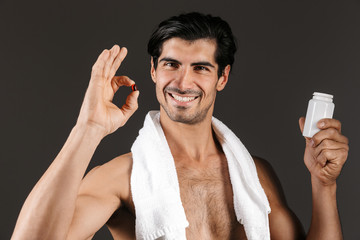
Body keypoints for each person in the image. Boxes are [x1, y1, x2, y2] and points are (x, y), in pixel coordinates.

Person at [12, 12, 348, 240]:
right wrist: (87, 129)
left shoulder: (255, 176)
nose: (182, 82)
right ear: (154, 71)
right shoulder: (121, 179)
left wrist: (324, 185)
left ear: (222, 77)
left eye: (200, 68)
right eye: (171, 64)